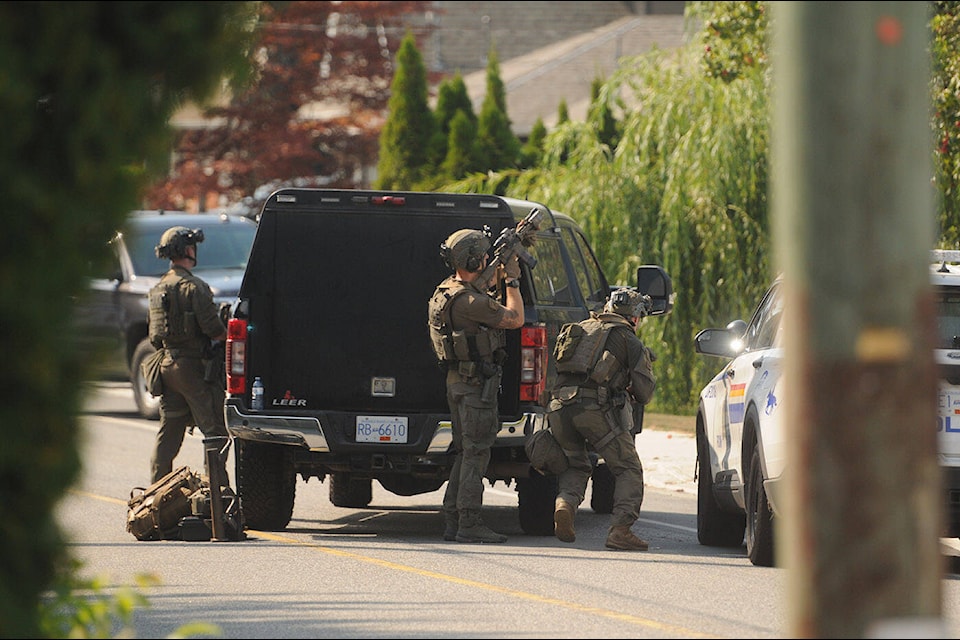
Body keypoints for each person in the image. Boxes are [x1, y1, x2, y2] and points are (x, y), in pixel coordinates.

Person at [427, 228, 524, 543]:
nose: (486, 259)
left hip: (458, 381)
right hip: (474, 387)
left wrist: (496, 269)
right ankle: (468, 522)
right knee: (477, 453)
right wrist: (511, 280)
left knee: (465, 451)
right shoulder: (470, 301)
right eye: (483, 256)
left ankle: (454, 519)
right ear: (472, 259)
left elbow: (481, 293)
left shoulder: (448, 290)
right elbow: (515, 317)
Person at [546, 287, 656, 550]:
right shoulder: (628, 339)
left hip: (559, 407)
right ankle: (621, 530)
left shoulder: (582, 329)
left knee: (577, 464)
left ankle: (565, 505)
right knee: (628, 468)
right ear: (635, 317)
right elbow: (644, 392)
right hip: (594, 409)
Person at [147, 226, 230, 484]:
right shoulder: (194, 287)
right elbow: (214, 330)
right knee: (215, 431)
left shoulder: (158, 288)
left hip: (167, 366)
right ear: (187, 251)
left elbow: (154, 336)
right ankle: (217, 493)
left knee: (169, 430)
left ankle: (157, 490)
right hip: (193, 368)